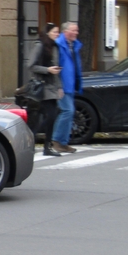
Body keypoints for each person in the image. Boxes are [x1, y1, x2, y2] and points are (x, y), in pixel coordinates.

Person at [28, 23, 63, 156]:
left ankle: (45, 145)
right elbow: (31, 65)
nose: (57, 34)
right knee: (51, 115)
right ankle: (33, 138)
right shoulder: (40, 45)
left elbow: (55, 68)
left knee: (50, 116)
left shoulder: (54, 46)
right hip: (42, 86)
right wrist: (47, 70)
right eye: (55, 32)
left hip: (52, 86)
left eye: (58, 32)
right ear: (48, 32)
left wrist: (59, 86)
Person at [52, 22, 82, 154]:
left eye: (77, 30)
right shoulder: (59, 46)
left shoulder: (72, 45)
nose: (76, 33)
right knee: (68, 111)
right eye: (73, 30)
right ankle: (57, 140)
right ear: (65, 31)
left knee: (69, 111)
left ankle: (63, 142)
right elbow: (56, 67)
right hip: (62, 85)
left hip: (70, 85)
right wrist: (58, 86)